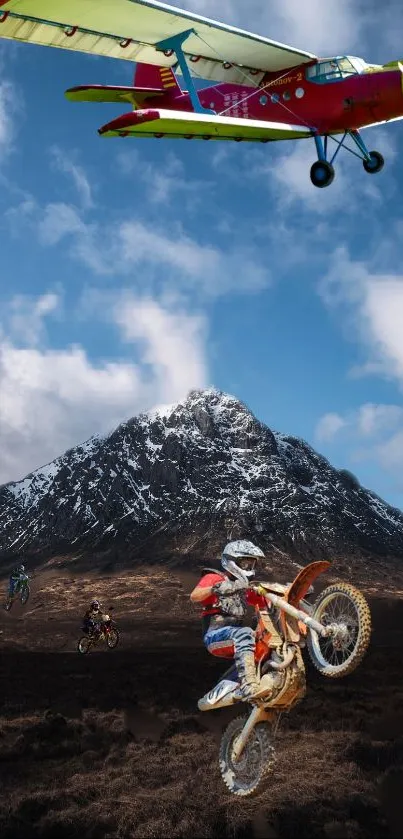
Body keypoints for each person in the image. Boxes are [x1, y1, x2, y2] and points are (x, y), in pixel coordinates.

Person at [190, 539, 270, 701]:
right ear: (233, 561)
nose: (249, 568)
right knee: (245, 633)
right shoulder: (215, 578)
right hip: (215, 635)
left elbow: (264, 605)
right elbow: (194, 596)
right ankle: (248, 686)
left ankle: (258, 682)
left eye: (252, 564)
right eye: (246, 564)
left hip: (236, 637)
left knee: (267, 644)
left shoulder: (244, 588)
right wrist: (217, 588)